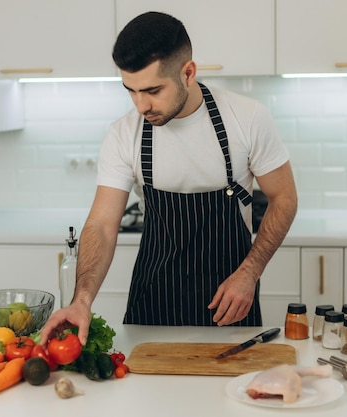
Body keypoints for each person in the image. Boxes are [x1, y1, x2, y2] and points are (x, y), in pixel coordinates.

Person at [40, 11, 297, 346]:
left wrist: (250, 273)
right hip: (153, 305)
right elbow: (102, 224)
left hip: (232, 303)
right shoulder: (123, 135)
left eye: (152, 90)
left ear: (188, 73)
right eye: (130, 91)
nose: (140, 105)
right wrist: (82, 300)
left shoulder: (246, 118)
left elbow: (284, 198)